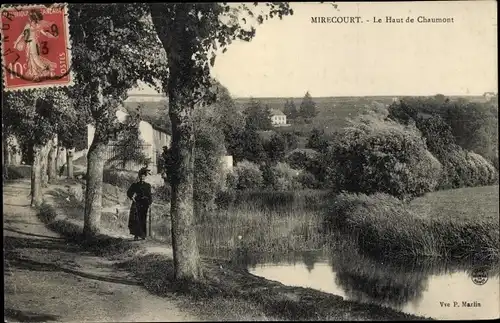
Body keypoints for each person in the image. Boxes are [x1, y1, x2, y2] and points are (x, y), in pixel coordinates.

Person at [13, 9, 58, 80]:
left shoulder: (38, 26)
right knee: (31, 59)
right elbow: (22, 35)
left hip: (33, 43)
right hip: (29, 44)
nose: (29, 19)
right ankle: (35, 75)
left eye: (30, 18)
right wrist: (16, 43)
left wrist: (53, 36)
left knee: (35, 57)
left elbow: (45, 33)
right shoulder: (28, 26)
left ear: (32, 19)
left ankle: (44, 68)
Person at [127, 167, 152, 241]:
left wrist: (150, 203)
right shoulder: (135, 185)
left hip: (145, 204)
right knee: (136, 219)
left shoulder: (148, 185)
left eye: (143, 176)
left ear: (145, 177)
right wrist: (132, 198)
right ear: (139, 177)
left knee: (143, 219)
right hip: (137, 203)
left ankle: (143, 235)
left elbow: (149, 195)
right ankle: (136, 235)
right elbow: (129, 192)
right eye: (141, 176)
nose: (142, 178)